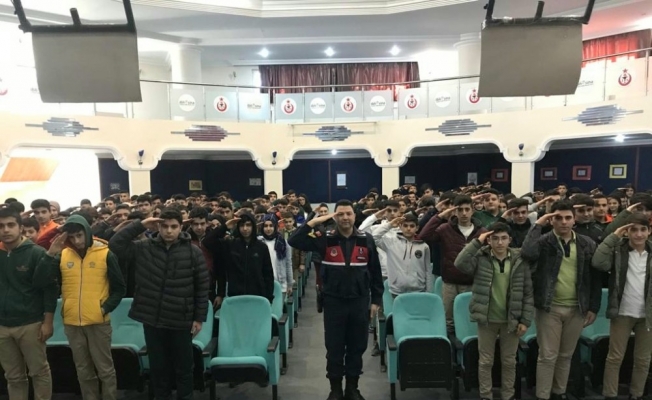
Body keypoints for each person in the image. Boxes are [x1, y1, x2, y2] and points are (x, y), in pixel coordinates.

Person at [108, 209, 209, 400]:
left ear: (181, 227)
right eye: (164, 226)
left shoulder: (193, 252)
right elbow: (115, 245)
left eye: (174, 226)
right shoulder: (144, 247)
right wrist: (140, 225)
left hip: (181, 319)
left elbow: (202, 287)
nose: (169, 231)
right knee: (158, 368)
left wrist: (199, 318)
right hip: (152, 319)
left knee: (184, 368)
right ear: (158, 227)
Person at [289, 200, 383, 400]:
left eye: (348, 213)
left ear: (355, 216)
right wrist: (314, 221)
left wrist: (376, 300)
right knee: (334, 348)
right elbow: (294, 240)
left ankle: (352, 389)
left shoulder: (366, 239)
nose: (345, 218)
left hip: (359, 302)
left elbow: (375, 271)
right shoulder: (324, 238)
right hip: (334, 303)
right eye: (340, 214)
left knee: (357, 347)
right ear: (334, 216)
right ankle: (336, 390)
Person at [521, 200, 601, 400]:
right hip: (549, 307)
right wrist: (538, 225)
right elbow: (527, 253)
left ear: (574, 220)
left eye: (568, 218)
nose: (564, 222)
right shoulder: (543, 242)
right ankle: (543, 395)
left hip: (577, 307)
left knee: (566, 355)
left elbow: (595, 278)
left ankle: (559, 392)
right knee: (548, 355)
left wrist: (594, 306)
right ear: (551, 220)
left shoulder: (587, 244)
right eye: (558, 218)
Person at [44, 215, 126, 400]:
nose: (77, 241)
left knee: (105, 369)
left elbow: (119, 288)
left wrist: (104, 309)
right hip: (72, 322)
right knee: (83, 369)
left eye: (79, 235)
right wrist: (51, 251)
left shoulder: (105, 253)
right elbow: (46, 279)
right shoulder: (63, 255)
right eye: (72, 237)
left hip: (98, 322)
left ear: (87, 233)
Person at [454, 222, 534, 400]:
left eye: (503, 238)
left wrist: (525, 320)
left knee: (509, 361)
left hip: (511, 319)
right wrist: (477, 241)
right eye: (495, 238)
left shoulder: (519, 260)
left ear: (510, 240)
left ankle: (508, 395)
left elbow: (528, 293)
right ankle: (486, 395)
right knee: (485, 361)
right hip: (487, 318)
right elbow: (459, 263)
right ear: (489, 240)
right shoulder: (481, 257)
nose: (499, 242)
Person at [591, 213, 652, 400]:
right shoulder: (618, 251)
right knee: (614, 357)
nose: (639, 234)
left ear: (649, 231)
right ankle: (610, 394)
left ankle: (637, 394)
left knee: (643, 360)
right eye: (634, 230)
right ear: (627, 231)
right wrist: (614, 235)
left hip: (648, 315)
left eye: (643, 230)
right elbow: (598, 262)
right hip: (622, 312)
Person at [0, 207, 57, 400]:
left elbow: (50, 290)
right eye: (1, 226)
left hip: (31, 323)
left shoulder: (36, 253)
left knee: (39, 372)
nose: (5, 230)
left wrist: (48, 322)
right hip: (2, 326)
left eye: (10, 225)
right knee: (13, 377)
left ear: (20, 227)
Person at [203, 211, 275, 307]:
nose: (245, 229)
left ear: (253, 226)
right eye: (242, 225)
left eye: (248, 225)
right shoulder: (230, 245)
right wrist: (225, 227)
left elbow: (268, 274)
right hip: (235, 296)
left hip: (258, 297)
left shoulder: (261, 247)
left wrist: (269, 298)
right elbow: (207, 242)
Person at [372, 213, 433, 296]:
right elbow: (374, 237)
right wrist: (390, 225)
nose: (408, 228)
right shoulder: (391, 242)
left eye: (412, 226)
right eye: (405, 225)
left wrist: (429, 292)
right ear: (400, 226)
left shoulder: (423, 246)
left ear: (417, 228)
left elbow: (427, 270)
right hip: (397, 290)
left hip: (419, 290)